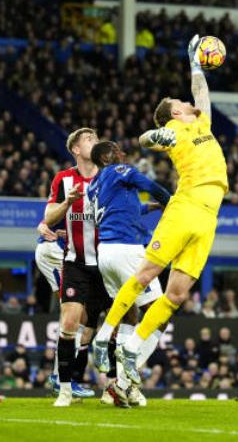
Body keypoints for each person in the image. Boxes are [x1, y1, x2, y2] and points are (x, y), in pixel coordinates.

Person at [92, 34, 228, 386]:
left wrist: (195, 64)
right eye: (180, 101)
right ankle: (103, 335)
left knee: (178, 294)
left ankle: (132, 348)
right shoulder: (173, 128)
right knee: (147, 274)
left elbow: (202, 93)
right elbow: (144, 140)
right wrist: (156, 137)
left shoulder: (201, 123)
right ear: (175, 113)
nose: (187, 101)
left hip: (210, 215)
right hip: (186, 207)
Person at [87, 140, 171, 407]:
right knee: (159, 314)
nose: (122, 154)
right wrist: (171, 203)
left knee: (129, 314)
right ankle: (125, 379)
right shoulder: (121, 170)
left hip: (106, 254)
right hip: (127, 250)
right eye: (117, 150)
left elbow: (120, 209)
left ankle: (120, 387)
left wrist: (149, 209)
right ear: (108, 156)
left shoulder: (94, 186)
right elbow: (151, 186)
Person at [45, 128, 110, 407]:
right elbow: (49, 217)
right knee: (69, 322)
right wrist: (67, 202)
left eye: (96, 139)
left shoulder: (110, 176)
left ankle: (115, 388)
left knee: (113, 327)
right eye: (88, 140)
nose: (94, 143)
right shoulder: (63, 179)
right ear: (75, 149)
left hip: (108, 263)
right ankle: (65, 390)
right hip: (76, 262)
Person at [34, 219, 94, 398]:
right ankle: (61, 378)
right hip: (55, 251)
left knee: (77, 314)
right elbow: (52, 213)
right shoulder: (79, 196)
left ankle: (59, 377)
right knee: (74, 313)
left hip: (59, 252)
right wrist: (43, 225)